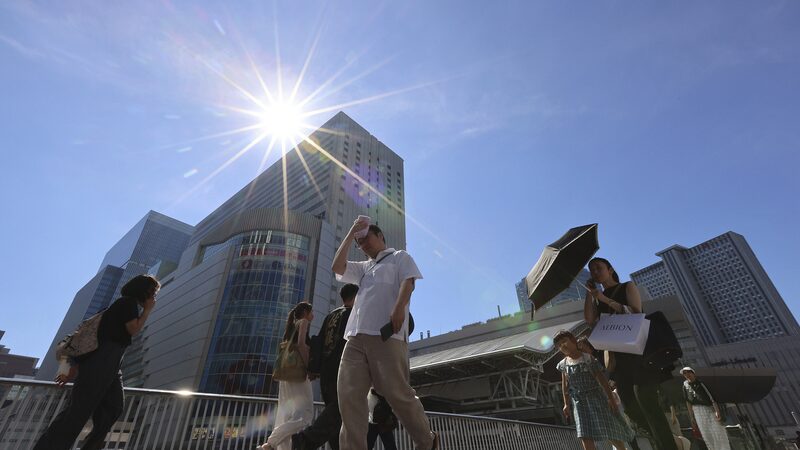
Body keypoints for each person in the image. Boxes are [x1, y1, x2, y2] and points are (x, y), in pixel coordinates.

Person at [332, 218, 438, 450]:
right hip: (356, 336)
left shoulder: (400, 257)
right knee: (348, 396)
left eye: (366, 238)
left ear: (380, 236)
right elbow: (337, 267)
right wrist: (351, 232)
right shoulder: (363, 267)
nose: (363, 244)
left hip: (386, 335)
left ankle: (426, 441)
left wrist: (399, 307)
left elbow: (408, 282)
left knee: (397, 393)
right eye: (359, 242)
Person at [33, 274, 160, 450]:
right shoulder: (127, 303)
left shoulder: (122, 306)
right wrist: (147, 311)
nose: (154, 296)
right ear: (143, 290)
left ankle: (92, 445)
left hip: (112, 363)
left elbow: (95, 340)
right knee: (78, 411)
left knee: (114, 406)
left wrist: (75, 367)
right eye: (153, 291)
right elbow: (133, 329)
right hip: (102, 361)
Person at [584, 257, 677, 450]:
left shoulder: (627, 286)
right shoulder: (596, 297)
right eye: (591, 270)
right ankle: (664, 442)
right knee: (631, 407)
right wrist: (590, 295)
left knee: (647, 401)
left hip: (639, 355)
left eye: (598, 268)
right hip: (618, 358)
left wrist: (605, 299)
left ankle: (668, 446)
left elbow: (636, 313)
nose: (595, 272)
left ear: (610, 270)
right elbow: (589, 319)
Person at [291, 285, 358, 450]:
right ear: (356, 296)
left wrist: (314, 368)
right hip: (343, 370)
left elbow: (319, 342)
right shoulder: (354, 314)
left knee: (336, 419)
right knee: (341, 409)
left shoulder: (331, 315)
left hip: (326, 374)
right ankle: (305, 439)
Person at [554, 330, 633, 450]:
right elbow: (565, 386)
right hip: (579, 402)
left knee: (608, 429)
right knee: (584, 434)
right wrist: (566, 404)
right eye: (559, 345)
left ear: (573, 341)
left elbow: (603, 382)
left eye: (564, 341)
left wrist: (610, 399)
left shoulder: (588, 359)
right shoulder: (563, 364)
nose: (562, 346)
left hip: (597, 398)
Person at [259, 302, 315, 450]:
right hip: (298, 375)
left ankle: (277, 447)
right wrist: (309, 366)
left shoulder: (291, 326)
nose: (313, 316)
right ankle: (271, 442)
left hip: (286, 375)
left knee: (287, 414)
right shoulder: (303, 322)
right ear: (305, 312)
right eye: (311, 312)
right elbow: (302, 345)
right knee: (306, 414)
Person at [681, 367, 731, 450]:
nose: (687, 375)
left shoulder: (700, 383)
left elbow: (711, 398)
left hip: (708, 409)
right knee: (706, 434)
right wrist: (691, 417)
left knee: (718, 432)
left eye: (688, 372)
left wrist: (717, 410)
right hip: (697, 411)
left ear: (693, 373)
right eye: (685, 373)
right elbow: (688, 402)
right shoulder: (685, 386)